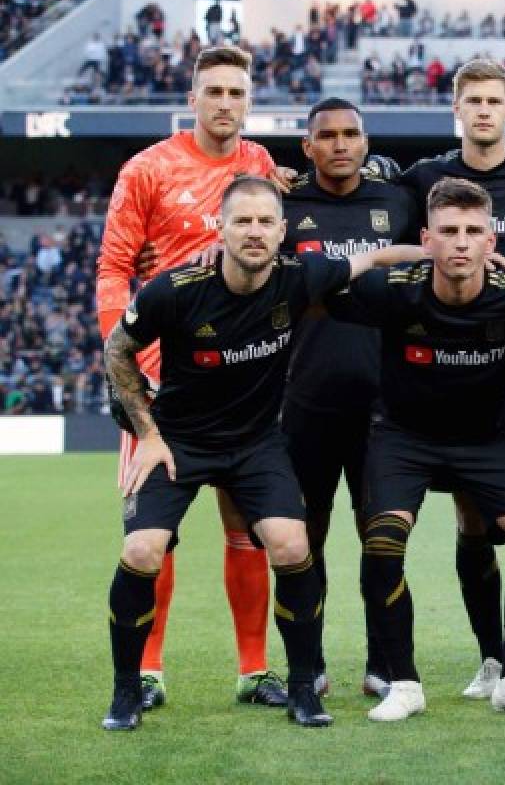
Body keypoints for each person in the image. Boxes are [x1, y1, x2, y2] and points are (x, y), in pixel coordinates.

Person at [101, 175, 407, 730]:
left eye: (266, 221)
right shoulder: (175, 289)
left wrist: (439, 252)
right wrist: (147, 433)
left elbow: (373, 258)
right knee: (143, 550)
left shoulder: (300, 276)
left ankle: (303, 688)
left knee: (292, 544)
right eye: (242, 220)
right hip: (180, 441)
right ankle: (126, 692)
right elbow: (118, 348)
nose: (254, 231)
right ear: (220, 229)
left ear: (282, 231)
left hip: (255, 444)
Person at [96, 46, 290, 713]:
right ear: (193, 97)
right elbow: (113, 268)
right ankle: (148, 672)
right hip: (163, 388)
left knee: (248, 528)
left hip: (241, 382)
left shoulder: (258, 164)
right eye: (214, 91)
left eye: (236, 92)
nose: (225, 103)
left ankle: (255, 670)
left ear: (249, 100)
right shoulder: (148, 169)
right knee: (155, 535)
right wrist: (123, 367)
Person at [393, 58, 505, 701]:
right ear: (456, 109)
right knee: (473, 520)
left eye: (493, 100)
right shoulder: (424, 178)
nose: (482, 110)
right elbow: (379, 219)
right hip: (461, 376)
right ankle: (493, 658)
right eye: (471, 100)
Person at [279, 97, 422, 698]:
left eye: (350, 134)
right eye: (327, 135)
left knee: (381, 539)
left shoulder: (399, 202)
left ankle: (383, 664)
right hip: (305, 403)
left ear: (366, 143)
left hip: (384, 406)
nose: (340, 144)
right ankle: (308, 667)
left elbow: (439, 251)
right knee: (302, 541)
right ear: (307, 147)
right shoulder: (283, 207)